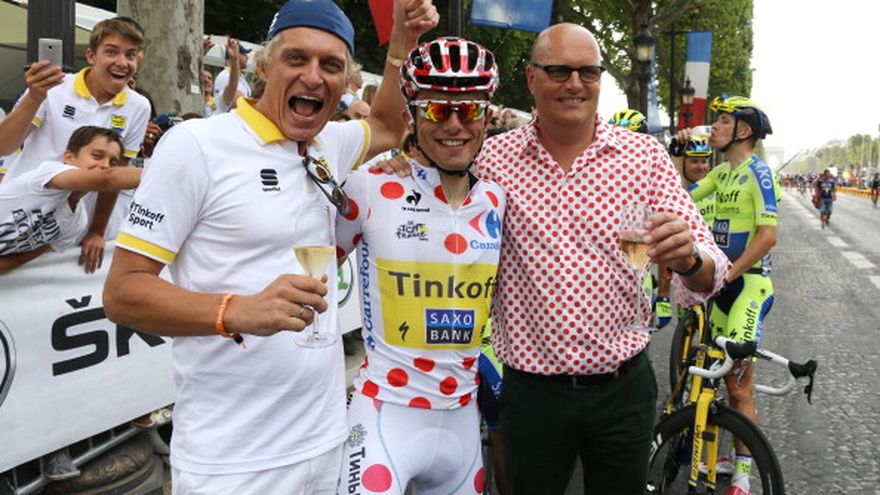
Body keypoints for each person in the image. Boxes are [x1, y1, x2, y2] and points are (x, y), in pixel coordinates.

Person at [375, 23, 728, 494]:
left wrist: (688, 260)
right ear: (531, 78)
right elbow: (430, 181)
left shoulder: (644, 156)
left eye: (588, 72)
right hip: (532, 395)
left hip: (623, 388)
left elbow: (710, 269)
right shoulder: (490, 159)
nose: (575, 84)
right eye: (559, 71)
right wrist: (398, 166)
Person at [102, 0, 438, 493]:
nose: (313, 76)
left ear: (345, 82)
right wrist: (235, 310)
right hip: (233, 462)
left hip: (326, 441)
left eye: (330, 65)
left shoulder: (327, 143)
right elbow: (123, 293)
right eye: (296, 59)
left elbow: (388, 125)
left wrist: (402, 43)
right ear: (263, 67)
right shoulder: (196, 145)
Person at [337, 36, 502, 495]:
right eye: (437, 109)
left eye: (468, 110)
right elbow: (305, 267)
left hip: (463, 421)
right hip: (385, 415)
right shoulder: (370, 187)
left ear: (487, 117)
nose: (454, 124)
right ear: (411, 115)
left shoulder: (496, 199)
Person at [0, 17, 150, 273]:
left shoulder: (139, 106)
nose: (122, 62)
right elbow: (4, 146)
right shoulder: (54, 88)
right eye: (111, 52)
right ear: (91, 55)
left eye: (130, 55)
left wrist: (96, 231)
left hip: (63, 226)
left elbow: (116, 175)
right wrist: (34, 97)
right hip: (17, 209)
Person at [689, 95, 778, 495]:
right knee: (718, 375)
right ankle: (721, 453)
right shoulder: (722, 174)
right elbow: (682, 195)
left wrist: (730, 272)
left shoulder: (759, 173)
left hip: (749, 286)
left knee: (740, 386)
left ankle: (743, 475)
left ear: (743, 130)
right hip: (722, 287)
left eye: (723, 121)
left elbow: (768, 236)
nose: (715, 127)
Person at [0, 126, 139, 274]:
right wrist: (153, 175)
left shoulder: (77, 224)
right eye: (97, 156)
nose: (105, 165)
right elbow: (107, 179)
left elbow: (22, 257)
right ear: (69, 157)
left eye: (113, 163)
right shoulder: (48, 174)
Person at [213, 38, 251, 111]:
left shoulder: (241, 77)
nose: (247, 57)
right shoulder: (224, 76)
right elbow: (230, 101)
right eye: (244, 54)